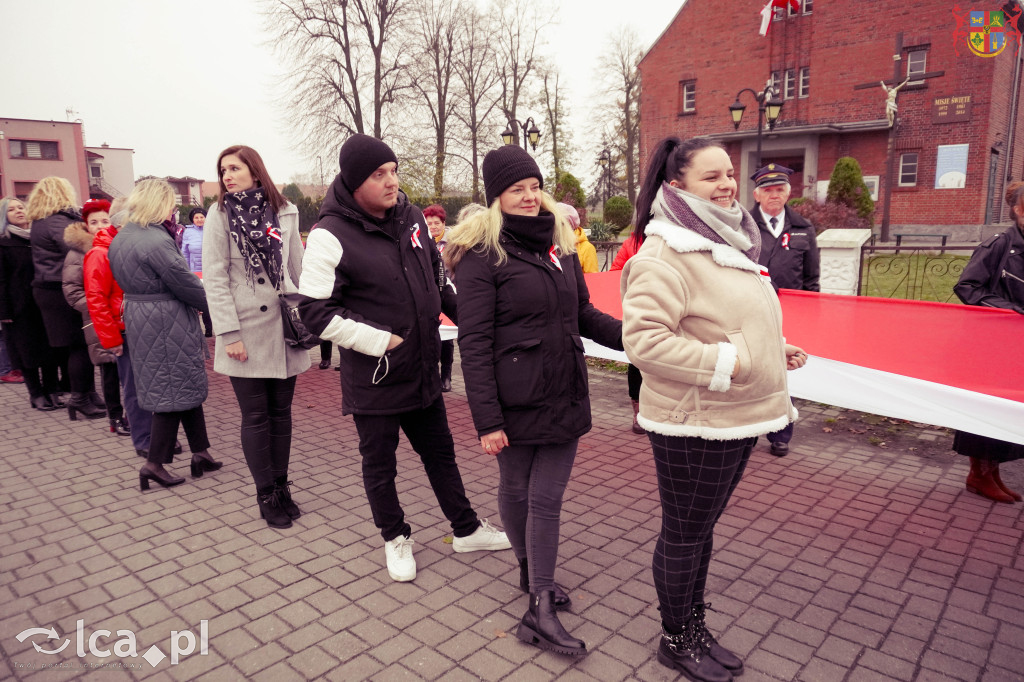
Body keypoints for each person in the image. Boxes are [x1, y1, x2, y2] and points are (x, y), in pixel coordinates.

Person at [621, 136, 806, 682]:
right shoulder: (664, 253)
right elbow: (645, 343)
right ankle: (677, 639)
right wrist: (734, 360)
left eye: (729, 173)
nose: (728, 184)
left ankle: (694, 626)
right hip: (695, 422)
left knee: (700, 532)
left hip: (736, 415)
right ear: (676, 186)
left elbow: (730, 319)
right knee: (684, 532)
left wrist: (773, 348)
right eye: (712, 177)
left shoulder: (726, 240)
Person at [298, 134, 510, 582]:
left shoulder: (412, 217)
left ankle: (466, 528)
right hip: (376, 375)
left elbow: (436, 280)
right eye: (379, 175)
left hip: (423, 368)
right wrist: (382, 341)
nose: (392, 181)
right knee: (380, 464)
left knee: (441, 454)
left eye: (393, 171)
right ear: (355, 182)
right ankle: (395, 537)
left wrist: (471, 320)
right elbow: (314, 311)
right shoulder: (328, 235)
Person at [445, 145, 623, 657]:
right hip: (513, 397)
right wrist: (487, 421)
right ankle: (531, 575)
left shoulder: (561, 245)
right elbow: (473, 340)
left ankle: (539, 603)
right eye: (515, 189)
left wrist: (636, 337)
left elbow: (583, 315)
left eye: (533, 187)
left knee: (545, 498)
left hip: (563, 390)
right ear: (496, 198)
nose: (528, 197)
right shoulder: (482, 256)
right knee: (515, 489)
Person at [204, 145, 310, 528]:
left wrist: (311, 312)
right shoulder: (219, 214)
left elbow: (298, 267)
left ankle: (281, 486)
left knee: (281, 415)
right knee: (256, 416)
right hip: (244, 329)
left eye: (234, 168)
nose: (227, 176)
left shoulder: (285, 210)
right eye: (222, 170)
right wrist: (227, 333)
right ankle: (265, 493)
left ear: (254, 169)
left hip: (283, 329)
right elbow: (214, 278)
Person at [108, 179, 221, 491]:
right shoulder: (155, 240)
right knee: (172, 392)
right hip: (165, 318)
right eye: (170, 204)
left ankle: (201, 452)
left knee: (181, 386)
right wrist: (217, 309)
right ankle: (154, 464)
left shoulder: (123, 235)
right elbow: (183, 282)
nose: (174, 209)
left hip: (142, 316)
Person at [950, 180, 1024, 503]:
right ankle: (978, 474)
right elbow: (967, 287)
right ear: (1018, 209)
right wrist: (1012, 312)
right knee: (985, 407)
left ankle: (992, 471)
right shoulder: (999, 244)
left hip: (1016, 347)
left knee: (1007, 407)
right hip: (991, 345)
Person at [749, 163, 819, 458]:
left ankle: (781, 433)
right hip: (751, 311)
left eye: (779, 190)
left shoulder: (803, 228)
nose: (774, 195)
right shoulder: (742, 227)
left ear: (788, 194)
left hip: (790, 314)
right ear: (757, 195)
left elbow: (812, 279)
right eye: (768, 190)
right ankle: (749, 429)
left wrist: (811, 314)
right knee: (751, 369)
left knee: (783, 374)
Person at [26, 177, 106, 420]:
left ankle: (88, 394)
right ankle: (80, 398)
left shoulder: (41, 221)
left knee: (78, 346)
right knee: (80, 346)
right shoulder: (57, 221)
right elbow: (82, 246)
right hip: (61, 290)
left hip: (50, 289)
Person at [84, 198, 156, 459]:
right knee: (135, 390)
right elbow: (96, 299)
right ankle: (143, 439)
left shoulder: (128, 246)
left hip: (141, 327)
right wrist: (110, 338)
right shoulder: (101, 253)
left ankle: (158, 437)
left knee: (151, 386)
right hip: (123, 331)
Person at [62, 199, 127, 434]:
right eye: (93, 221)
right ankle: (115, 417)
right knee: (108, 370)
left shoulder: (116, 245)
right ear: (85, 225)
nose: (100, 225)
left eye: (105, 220)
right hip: (97, 319)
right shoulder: (78, 253)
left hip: (119, 318)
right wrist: (97, 307)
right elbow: (71, 290)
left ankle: (129, 415)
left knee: (126, 372)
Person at [0, 198, 62, 409]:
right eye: (11, 210)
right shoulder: (3, 242)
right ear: (3, 217)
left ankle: (52, 390)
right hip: (18, 307)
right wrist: (3, 310)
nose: (18, 211)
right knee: (27, 351)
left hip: (44, 302)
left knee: (50, 348)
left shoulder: (37, 238)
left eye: (20, 207)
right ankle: (35, 393)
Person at [611, 229, 646, 435]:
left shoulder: (675, 239)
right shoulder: (631, 244)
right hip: (637, 310)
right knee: (636, 361)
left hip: (670, 311)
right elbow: (616, 273)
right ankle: (638, 412)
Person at [424, 204, 455, 392]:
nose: (433, 227)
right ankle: (432, 375)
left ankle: (446, 376)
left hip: (448, 294)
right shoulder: (423, 241)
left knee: (447, 339)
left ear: (444, 223)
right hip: (429, 295)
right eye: (429, 223)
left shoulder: (453, 243)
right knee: (431, 336)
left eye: (436, 223)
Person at [181, 207, 213, 337]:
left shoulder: (212, 229)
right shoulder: (187, 232)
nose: (199, 220)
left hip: (210, 271)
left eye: (201, 217)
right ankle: (194, 330)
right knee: (198, 300)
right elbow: (185, 253)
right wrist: (186, 271)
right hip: (195, 272)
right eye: (196, 217)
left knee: (209, 301)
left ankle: (209, 328)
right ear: (193, 220)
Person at [556, 203, 598, 274]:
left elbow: (593, 280)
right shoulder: (550, 244)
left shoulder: (587, 248)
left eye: (561, 224)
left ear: (570, 225)